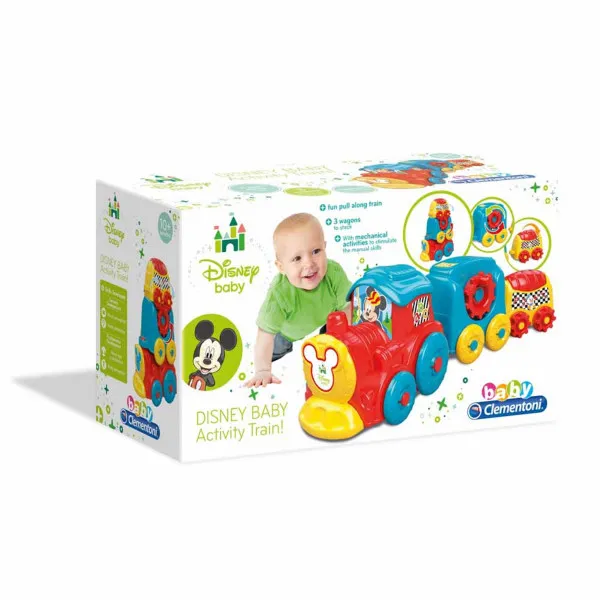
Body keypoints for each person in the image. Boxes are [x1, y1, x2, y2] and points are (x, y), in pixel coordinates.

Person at [245, 213, 352, 388]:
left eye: (316, 251)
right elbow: (265, 335)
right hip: (286, 333)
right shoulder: (279, 295)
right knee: (274, 349)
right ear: (281, 267)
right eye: (297, 258)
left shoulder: (333, 273)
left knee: (336, 327)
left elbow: (349, 307)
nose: (309, 264)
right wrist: (263, 370)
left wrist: (344, 337)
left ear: (325, 248)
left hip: (326, 317)